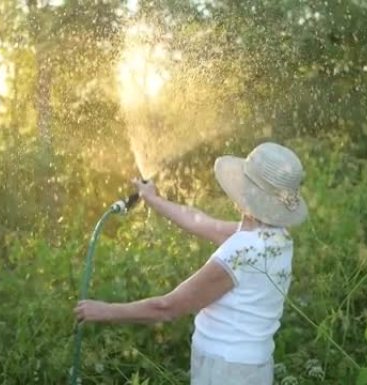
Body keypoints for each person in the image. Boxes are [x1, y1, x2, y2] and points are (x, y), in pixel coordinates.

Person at [74, 142, 308, 384]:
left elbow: (168, 308)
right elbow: (200, 221)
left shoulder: (242, 250)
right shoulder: (275, 238)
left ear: (248, 193)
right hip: (251, 367)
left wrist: (105, 311)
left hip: (225, 371)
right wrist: (154, 200)